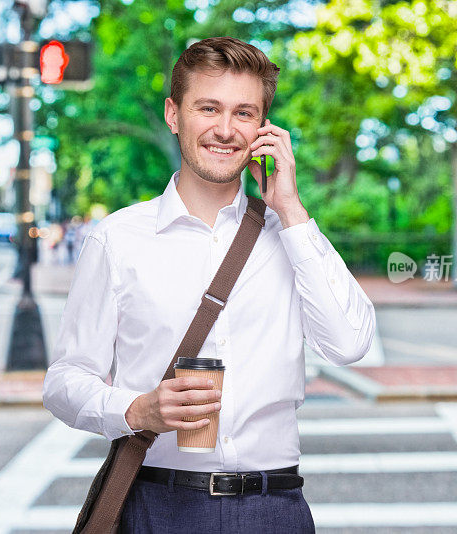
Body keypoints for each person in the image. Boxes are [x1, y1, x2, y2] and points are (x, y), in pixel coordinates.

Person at [42, 36, 376, 533]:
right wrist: (137, 409)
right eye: (208, 108)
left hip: (274, 509)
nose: (225, 130)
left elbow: (350, 344)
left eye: (244, 113)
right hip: (159, 505)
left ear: (264, 128)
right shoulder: (118, 239)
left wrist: (291, 208)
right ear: (174, 114)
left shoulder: (292, 234)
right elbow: (64, 381)